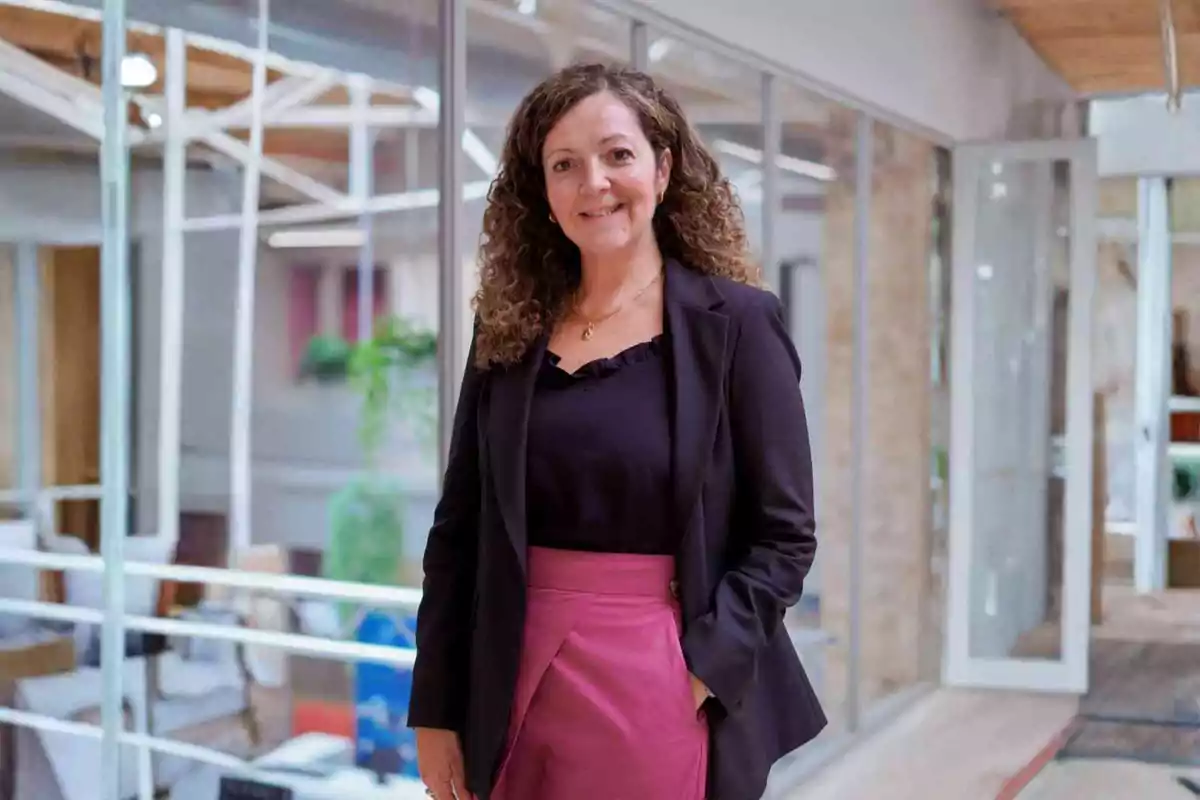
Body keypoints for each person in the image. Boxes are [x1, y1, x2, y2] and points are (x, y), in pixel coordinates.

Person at [409, 62, 825, 800]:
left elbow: (785, 535)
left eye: (617, 155)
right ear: (542, 192)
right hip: (508, 668)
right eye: (563, 165)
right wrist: (436, 710)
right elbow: (459, 532)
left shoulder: (737, 325)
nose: (592, 183)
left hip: (657, 674)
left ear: (662, 170)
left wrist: (701, 668)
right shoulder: (509, 329)